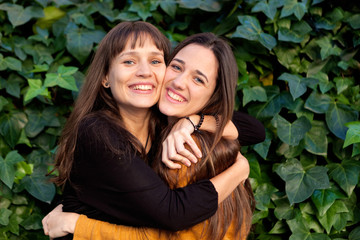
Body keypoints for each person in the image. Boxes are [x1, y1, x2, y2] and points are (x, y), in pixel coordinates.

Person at [42, 22, 264, 239]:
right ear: (105, 77)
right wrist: (239, 170)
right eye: (129, 61)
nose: (145, 72)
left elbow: (253, 130)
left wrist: (191, 121)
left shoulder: (161, 122)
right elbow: (173, 214)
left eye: (155, 61)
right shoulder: (97, 131)